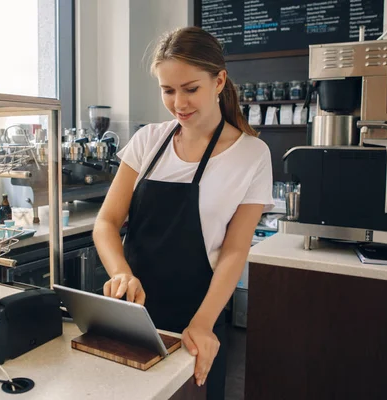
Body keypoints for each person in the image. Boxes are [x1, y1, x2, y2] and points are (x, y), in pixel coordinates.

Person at [93, 26, 274, 400]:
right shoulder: (148, 140)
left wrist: (203, 323)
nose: (179, 103)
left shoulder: (252, 155)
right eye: (168, 90)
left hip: (196, 317)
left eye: (190, 89)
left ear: (219, 80)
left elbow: (235, 250)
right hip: (133, 317)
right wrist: (121, 274)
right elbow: (106, 223)